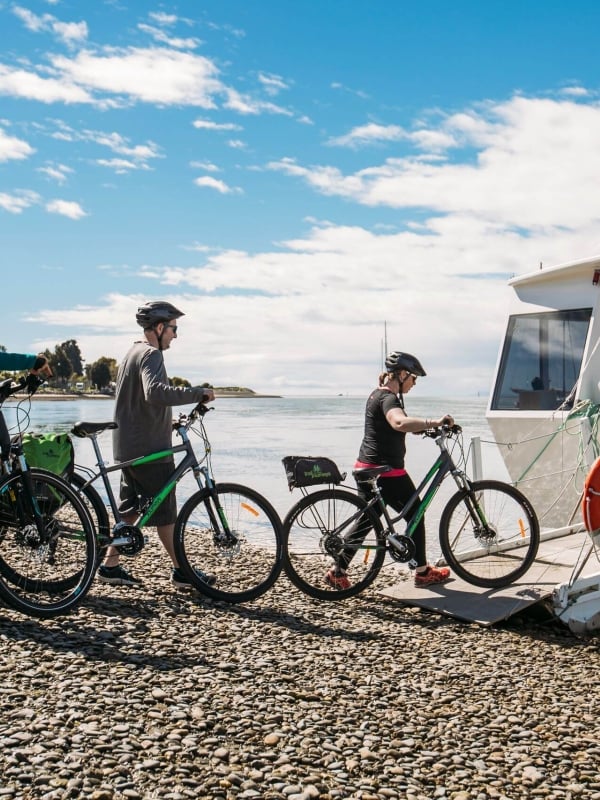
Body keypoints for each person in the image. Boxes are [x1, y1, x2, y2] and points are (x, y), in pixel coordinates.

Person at [97, 301, 216, 590]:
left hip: (128, 445)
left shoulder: (131, 353)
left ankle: (109, 566)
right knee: (166, 514)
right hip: (150, 451)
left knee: (131, 511)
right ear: (160, 327)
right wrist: (198, 393)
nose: (176, 335)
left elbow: (139, 401)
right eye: (174, 328)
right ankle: (182, 571)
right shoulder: (151, 354)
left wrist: (168, 420)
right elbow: (155, 392)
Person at [326, 350, 454, 590]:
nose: (414, 383)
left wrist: (420, 429)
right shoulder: (389, 399)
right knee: (415, 512)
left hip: (365, 467)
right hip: (386, 472)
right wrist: (434, 422)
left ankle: (338, 570)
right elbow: (398, 422)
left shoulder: (377, 395)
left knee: (367, 520)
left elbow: (393, 426)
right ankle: (423, 571)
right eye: (414, 378)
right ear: (402, 374)